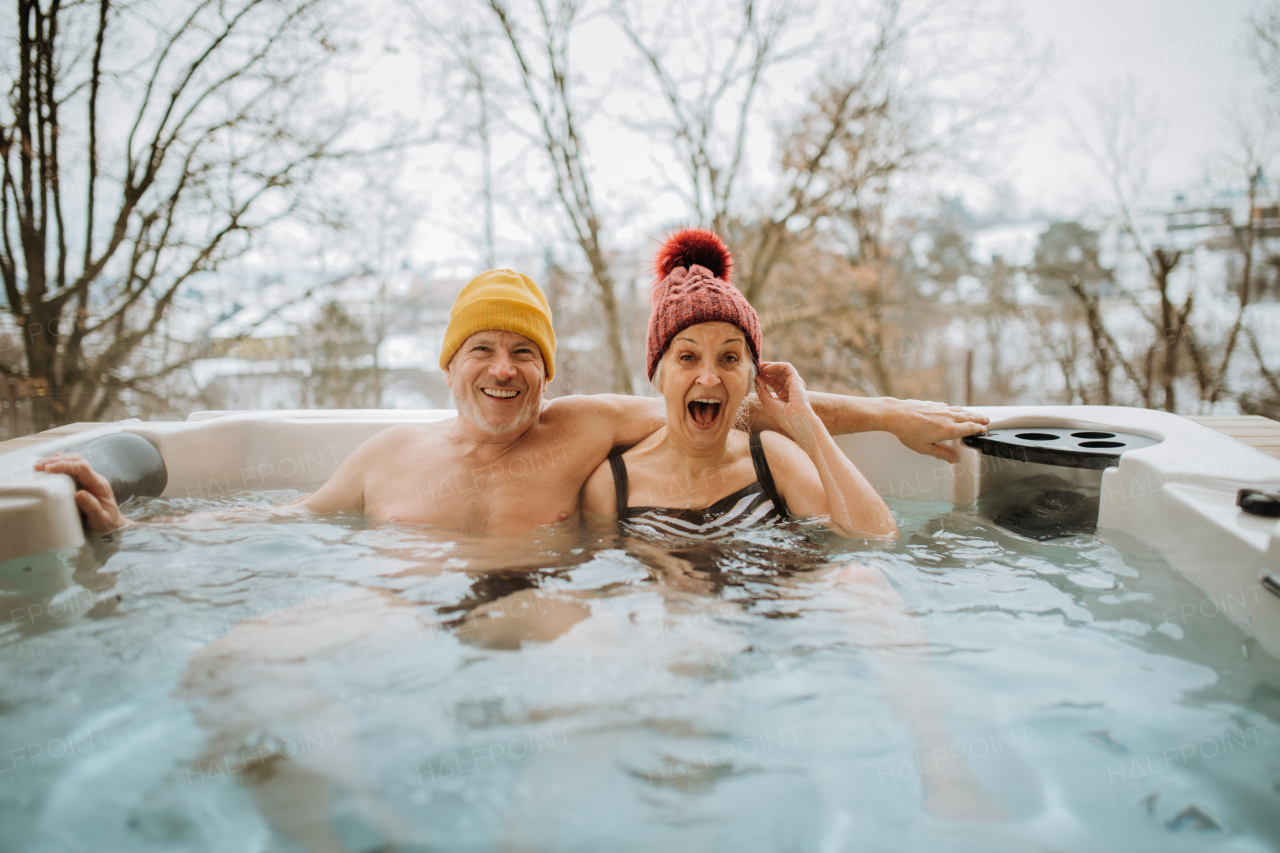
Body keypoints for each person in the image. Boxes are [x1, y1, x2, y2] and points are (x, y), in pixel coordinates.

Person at [34, 268, 988, 536]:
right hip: (405, 608)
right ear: (449, 366)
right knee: (239, 670)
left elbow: (733, 395)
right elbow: (272, 523)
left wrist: (898, 416)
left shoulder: (585, 424)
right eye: (482, 349)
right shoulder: (385, 461)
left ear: (547, 371)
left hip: (545, 603)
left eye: (525, 351)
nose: (504, 368)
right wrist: (127, 526)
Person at [580, 229, 1004, 820]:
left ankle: (942, 762)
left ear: (751, 374)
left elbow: (875, 540)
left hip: (786, 612)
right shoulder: (615, 485)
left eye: (730, 357)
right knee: (674, 635)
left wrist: (804, 423)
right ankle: (684, 798)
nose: (709, 377)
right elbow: (602, 587)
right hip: (684, 628)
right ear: (658, 375)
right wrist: (656, 567)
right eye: (688, 357)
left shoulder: (769, 457)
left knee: (860, 584)